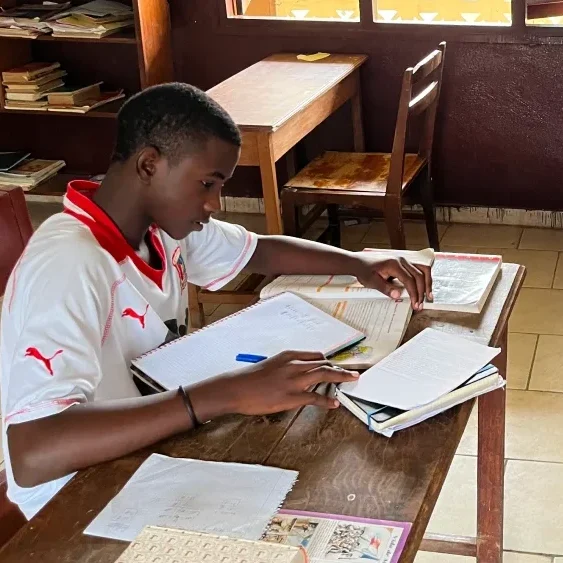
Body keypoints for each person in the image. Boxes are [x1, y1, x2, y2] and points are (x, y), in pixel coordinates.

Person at [0, 83, 432, 520]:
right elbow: (33, 452)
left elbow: (258, 250)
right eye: (207, 183)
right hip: (80, 495)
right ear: (149, 164)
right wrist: (223, 394)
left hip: (149, 443)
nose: (214, 204)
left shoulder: (159, 225)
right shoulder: (69, 262)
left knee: (325, 471)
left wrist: (358, 264)